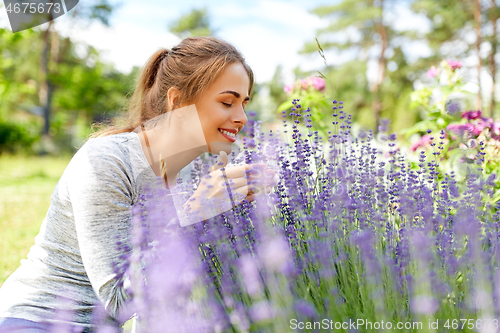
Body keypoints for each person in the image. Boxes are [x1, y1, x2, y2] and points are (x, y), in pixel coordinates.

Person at [0, 36, 274, 333]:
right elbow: (118, 301)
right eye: (227, 102)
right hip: (36, 320)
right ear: (178, 100)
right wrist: (198, 211)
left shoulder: (196, 170)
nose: (242, 117)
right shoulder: (105, 162)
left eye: (244, 104)